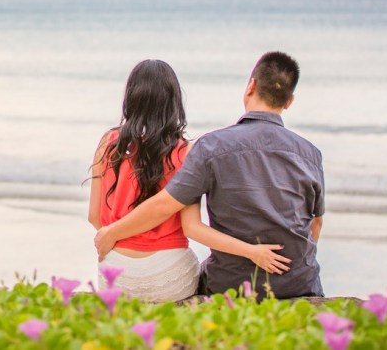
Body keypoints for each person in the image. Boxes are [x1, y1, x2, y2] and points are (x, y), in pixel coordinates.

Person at [94, 52, 325, 299]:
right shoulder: (311, 154)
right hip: (299, 282)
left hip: (229, 282)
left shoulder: (211, 147)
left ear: (251, 86)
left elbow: (170, 209)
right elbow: (316, 223)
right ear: (289, 101)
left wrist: (112, 233)